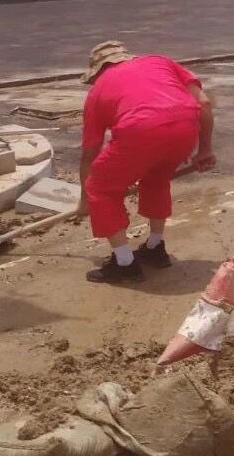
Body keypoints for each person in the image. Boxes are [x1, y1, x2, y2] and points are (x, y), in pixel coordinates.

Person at [76, 41, 215, 284]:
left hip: (141, 129)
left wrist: (86, 198)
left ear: (97, 71)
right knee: (156, 180)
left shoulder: (97, 91)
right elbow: (203, 102)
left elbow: (90, 153)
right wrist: (205, 150)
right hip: (185, 127)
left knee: (100, 187)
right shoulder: (160, 62)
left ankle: (124, 263)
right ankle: (155, 247)